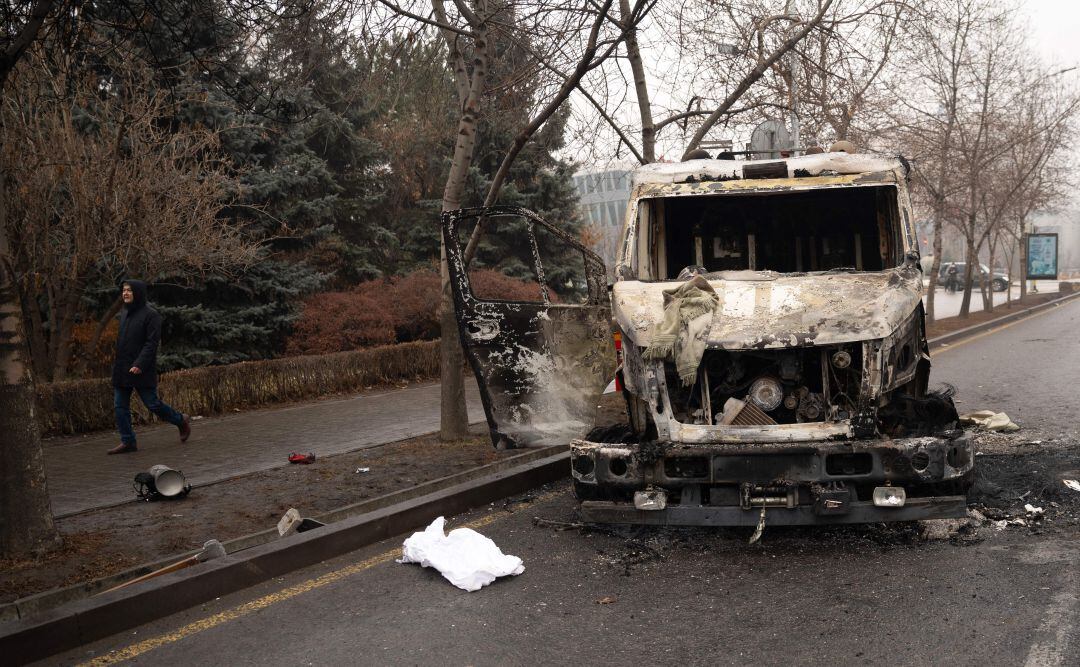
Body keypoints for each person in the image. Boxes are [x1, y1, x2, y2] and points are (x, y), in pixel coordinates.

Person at [107, 279, 191, 454]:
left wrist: (139, 364)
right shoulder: (124, 313)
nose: (125, 293)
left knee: (153, 404)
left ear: (138, 292)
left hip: (141, 369)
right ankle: (128, 441)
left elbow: (151, 344)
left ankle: (180, 420)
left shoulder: (151, 315)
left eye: (129, 290)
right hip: (123, 369)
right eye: (124, 290)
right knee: (119, 406)